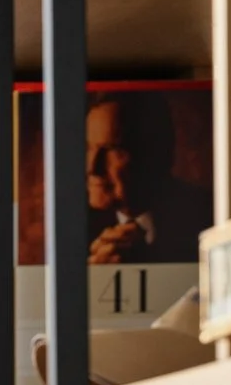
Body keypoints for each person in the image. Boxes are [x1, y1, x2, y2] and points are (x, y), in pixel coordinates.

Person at [86, 91, 213, 264]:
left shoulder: (208, 217)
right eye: (88, 148)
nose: (93, 167)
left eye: (113, 150)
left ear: (154, 153)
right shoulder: (72, 229)